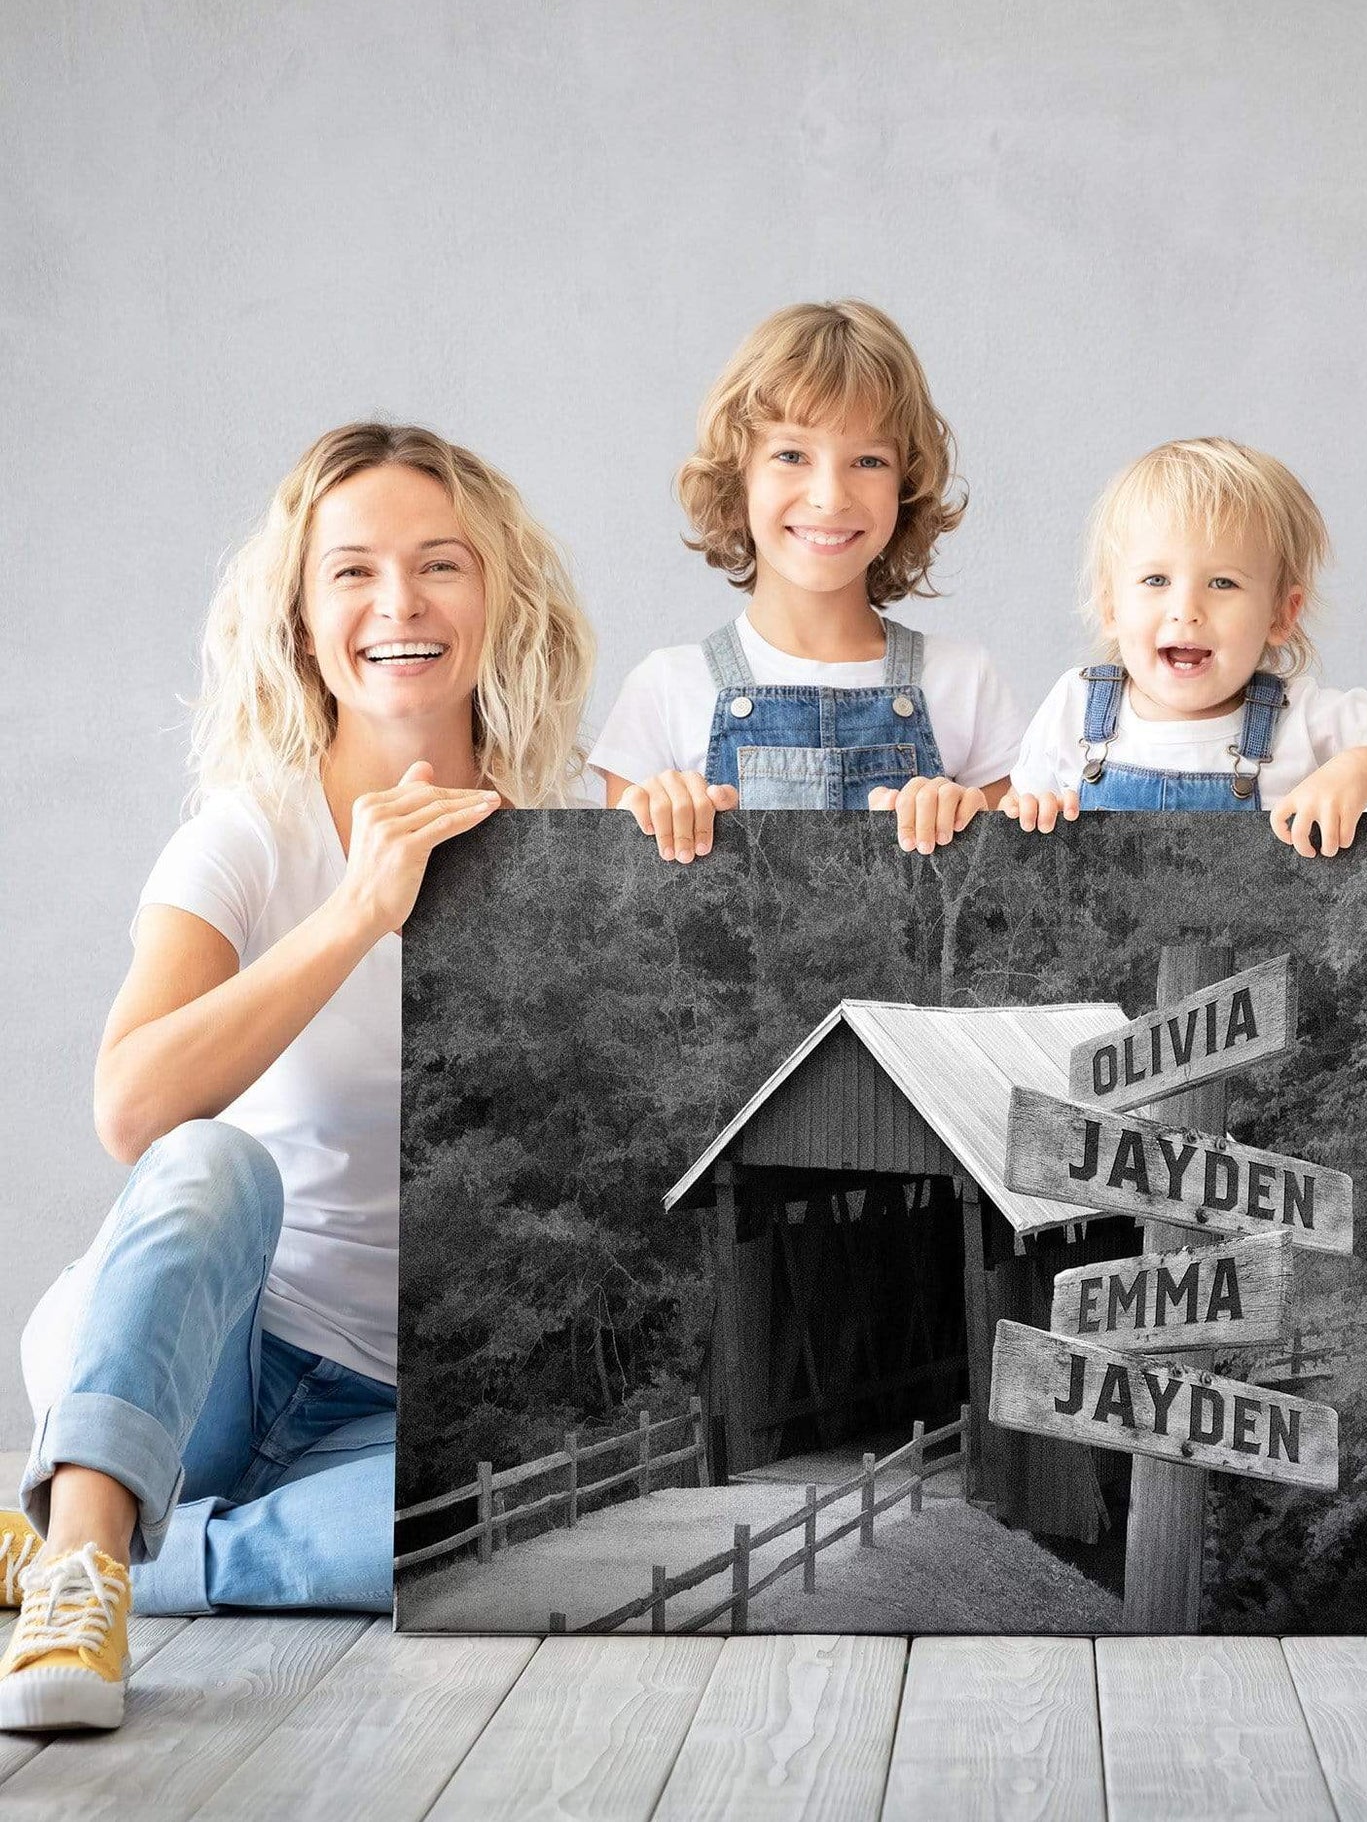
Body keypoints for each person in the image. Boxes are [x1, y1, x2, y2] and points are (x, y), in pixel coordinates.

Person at [0, 423, 595, 1731]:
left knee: (516, 1547)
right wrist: (354, 915)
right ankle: (89, 1551)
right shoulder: (251, 832)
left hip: (389, 1412)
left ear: (497, 597)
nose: (400, 603)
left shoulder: (564, 843)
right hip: (206, 1361)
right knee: (216, 1156)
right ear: (300, 613)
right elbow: (130, 1108)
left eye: (441, 564)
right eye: (354, 571)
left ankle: (100, 1539)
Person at [593, 300, 1024, 857]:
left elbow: (1009, 908)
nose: (829, 496)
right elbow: (618, 920)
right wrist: (657, 814)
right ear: (738, 474)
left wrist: (967, 820)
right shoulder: (664, 690)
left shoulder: (967, 683)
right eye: (792, 454)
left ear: (906, 484)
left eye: (868, 461)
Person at [1004, 437, 1367, 838]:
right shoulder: (1075, 708)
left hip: (1265, 955)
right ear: (1111, 605)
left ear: (1281, 614)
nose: (1186, 611)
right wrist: (1027, 815)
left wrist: (1363, 771)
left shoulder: (1304, 719)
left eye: (1223, 583)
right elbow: (1005, 837)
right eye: (1156, 581)